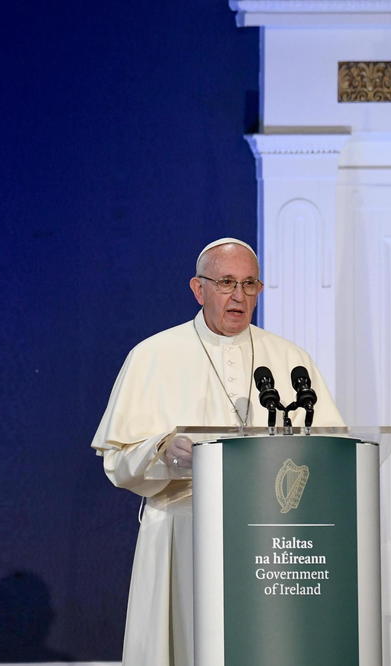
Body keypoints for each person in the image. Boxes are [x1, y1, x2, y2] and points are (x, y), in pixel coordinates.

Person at [89, 238, 344, 666]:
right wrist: (165, 451)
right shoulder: (153, 356)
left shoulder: (289, 358)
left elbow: (329, 449)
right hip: (184, 527)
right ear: (198, 288)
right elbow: (118, 462)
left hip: (273, 538)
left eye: (250, 284)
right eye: (226, 282)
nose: (239, 296)